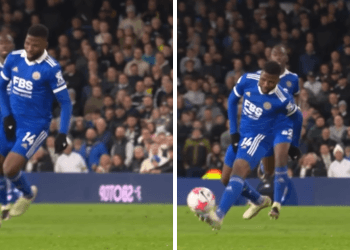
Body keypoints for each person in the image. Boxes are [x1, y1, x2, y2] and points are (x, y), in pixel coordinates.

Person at [203, 61, 298, 230]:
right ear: (260, 74)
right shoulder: (247, 79)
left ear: (277, 81)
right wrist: (233, 132)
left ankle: (218, 216)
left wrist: (294, 143)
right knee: (225, 179)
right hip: (242, 134)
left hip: (261, 137)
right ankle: (260, 200)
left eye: (271, 82)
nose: (266, 84)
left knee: (239, 170)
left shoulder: (283, 98)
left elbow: (297, 117)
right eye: (264, 79)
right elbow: (232, 101)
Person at [0, 24, 72, 219]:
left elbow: (65, 103)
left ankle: (27, 194)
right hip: (12, 121)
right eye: (27, 43)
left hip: (34, 126)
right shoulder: (14, 58)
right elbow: (1, 88)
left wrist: (63, 133)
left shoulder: (51, 68)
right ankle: (3, 205)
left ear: (45, 44)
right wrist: (6, 116)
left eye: (35, 45)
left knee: (9, 168)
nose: (30, 49)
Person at [243, 45, 303, 219]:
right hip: (264, 125)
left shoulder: (293, 78)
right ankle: (261, 191)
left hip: (283, 125)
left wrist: (297, 115)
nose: (277, 57)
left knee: (281, 160)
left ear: (286, 57)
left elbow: (297, 98)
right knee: (268, 170)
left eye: (280, 54)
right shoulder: (263, 77)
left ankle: (276, 205)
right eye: (273, 54)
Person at [0, 34, 21, 222]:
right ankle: (5, 204)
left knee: (11, 164)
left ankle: (14, 198)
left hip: (18, 120)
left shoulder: (20, 67)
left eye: (6, 42)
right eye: (0, 43)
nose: (3, 46)